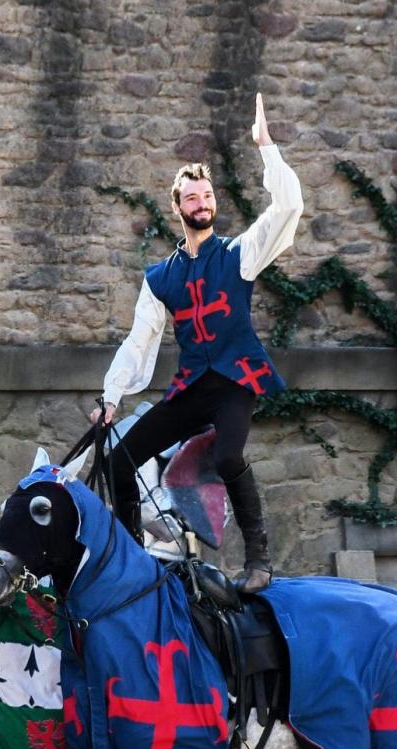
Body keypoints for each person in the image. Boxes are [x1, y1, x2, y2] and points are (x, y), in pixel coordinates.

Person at [92, 93, 302, 594]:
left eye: (207, 197)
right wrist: (112, 397)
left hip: (234, 382)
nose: (202, 203)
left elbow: (289, 206)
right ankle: (131, 562)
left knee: (228, 457)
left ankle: (259, 560)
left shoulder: (240, 255)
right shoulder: (161, 278)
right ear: (178, 208)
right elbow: (141, 340)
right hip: (192, 385)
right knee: (119, 461)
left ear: (214, 203)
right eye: (192, 198)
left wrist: (266, 147)